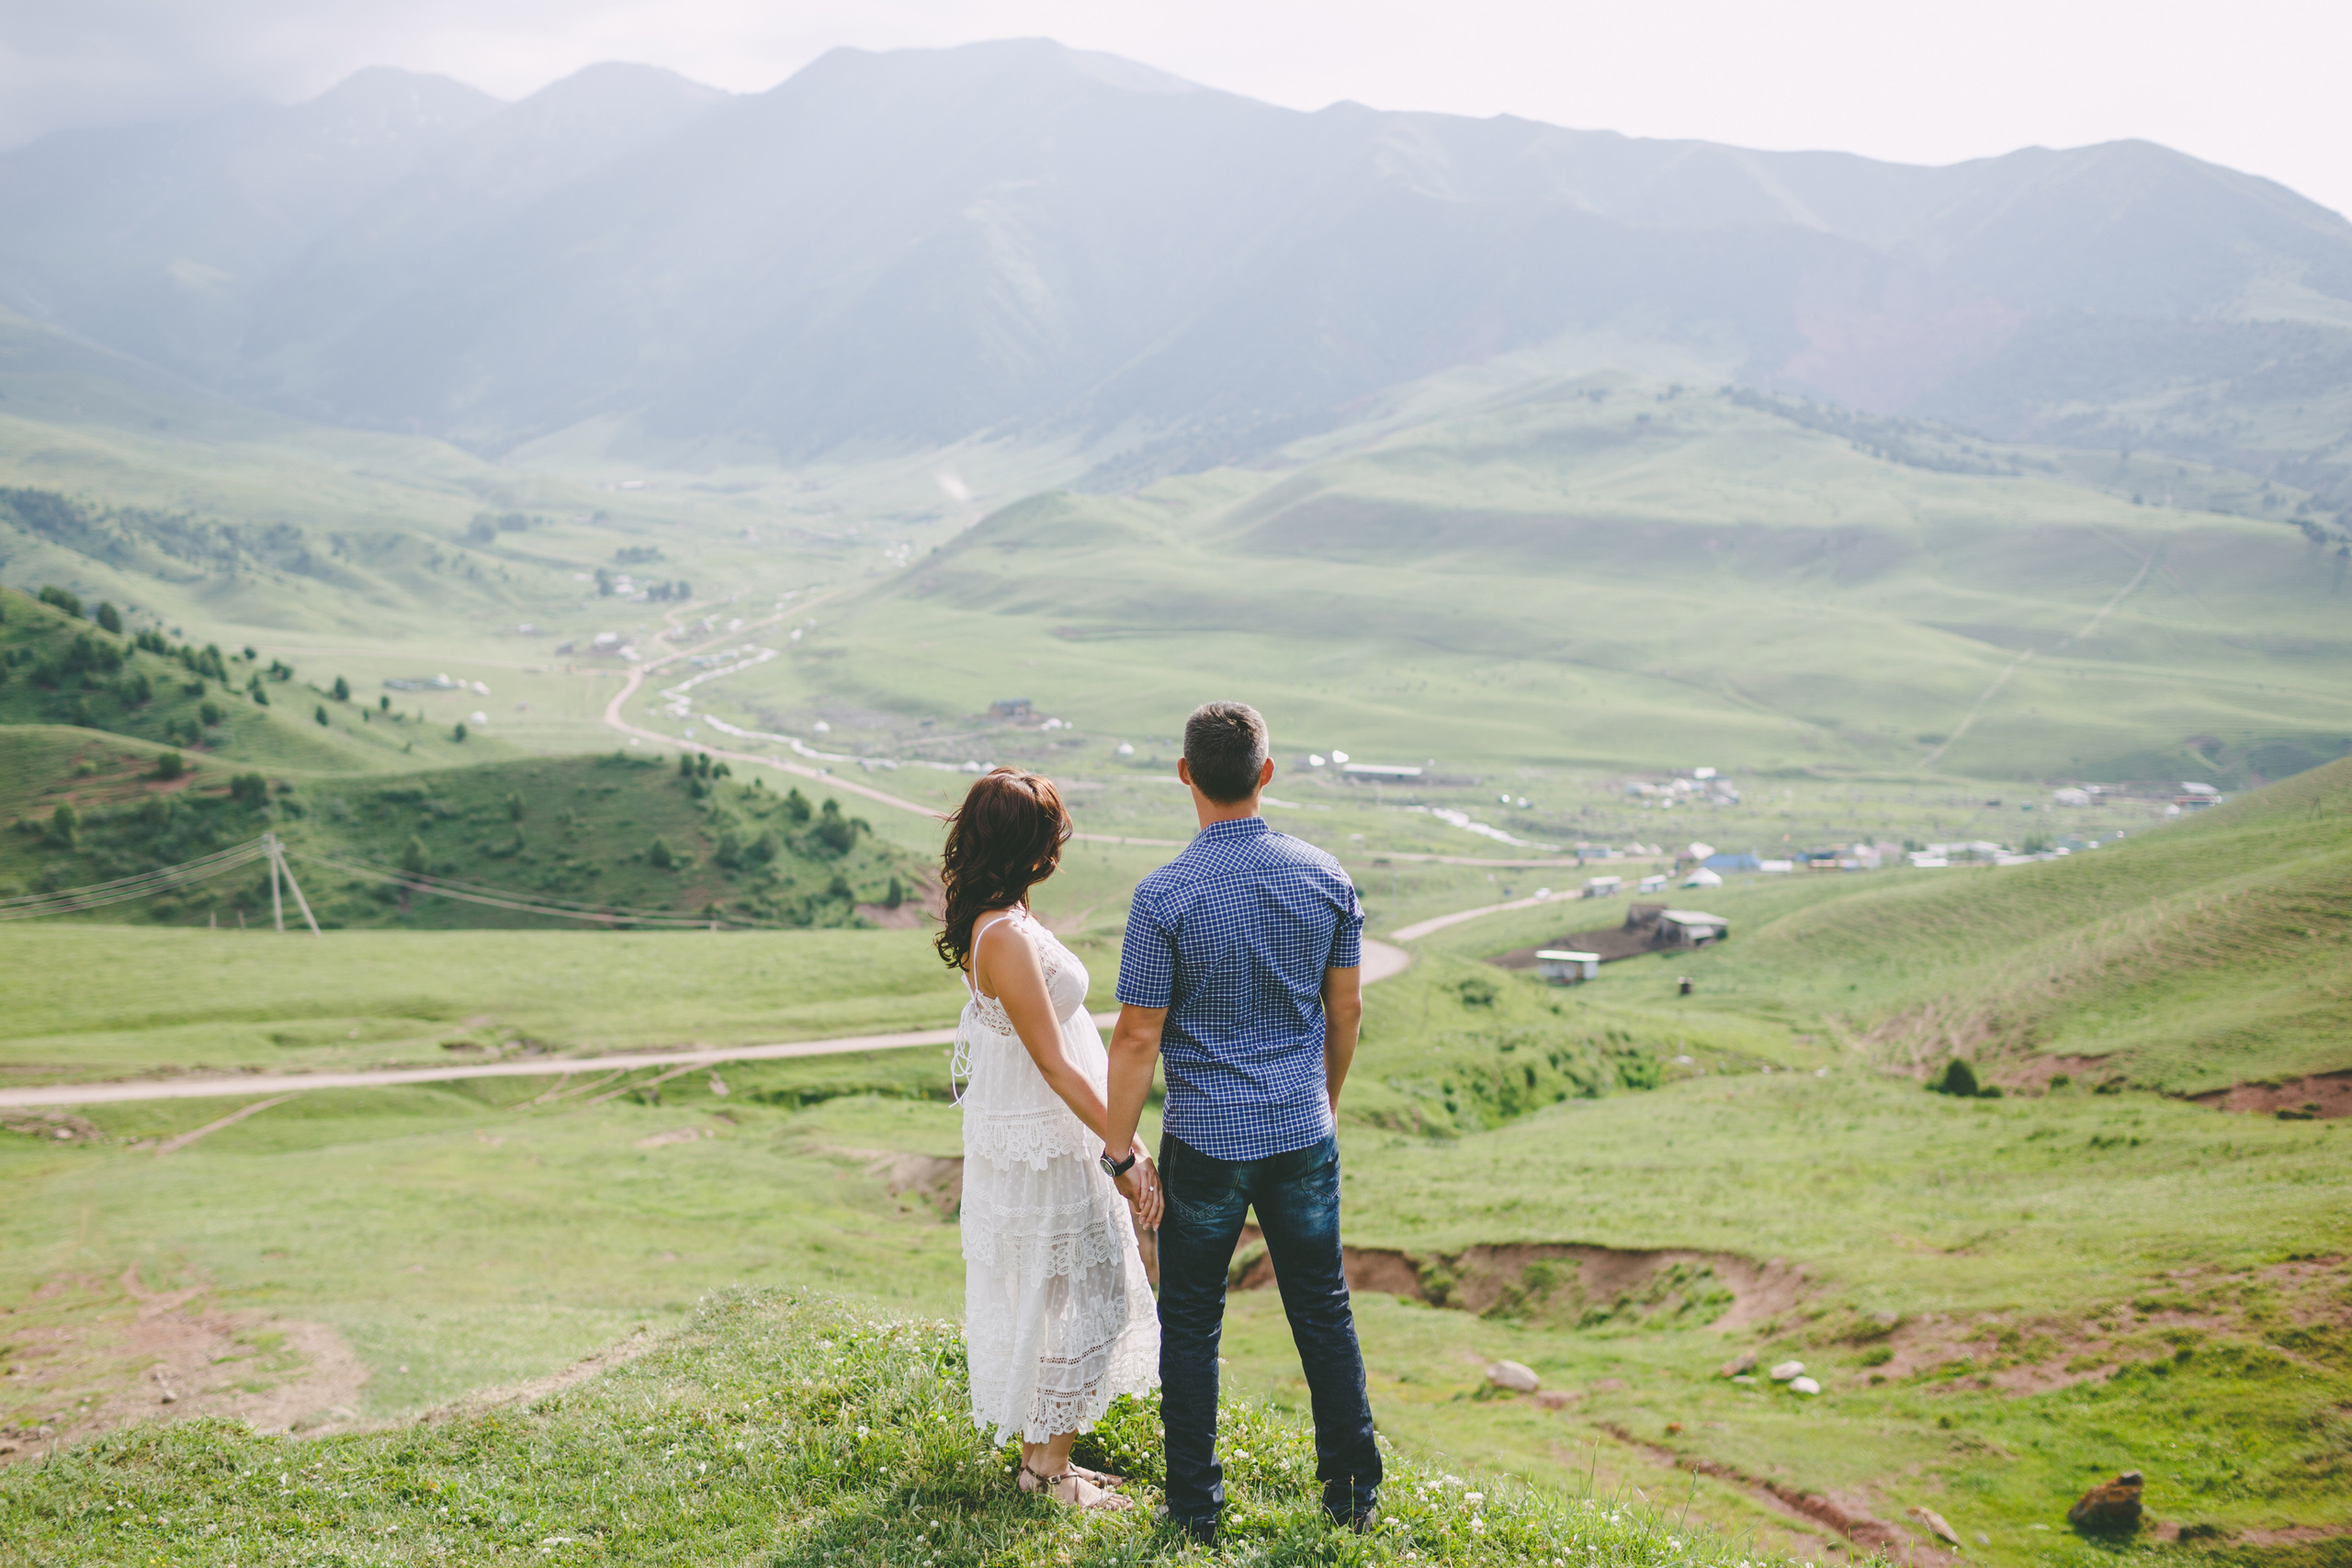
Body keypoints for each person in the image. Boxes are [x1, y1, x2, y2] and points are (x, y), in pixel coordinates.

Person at [1103, 700, 1380, 1545]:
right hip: (1301, 1128)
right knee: (1323, 1309)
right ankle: (1353, 1495)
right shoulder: (1326, 877)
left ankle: (1194, 1509)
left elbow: (1138, 1033)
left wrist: (1122, 1153)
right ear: (1266, 772)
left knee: (1189, 1320)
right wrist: (1321, 1103)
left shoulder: (1163, 897)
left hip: (1206, 1140)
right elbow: (1348, 1011)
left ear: (1185, 774)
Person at [940, 766, 1163, 1511]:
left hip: (1046, 1135)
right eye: (1047, 836)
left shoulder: (1002, 916)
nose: (1057, 849)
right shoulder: (1001, 935)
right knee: (1095, 1291)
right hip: (1050, 1141)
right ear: (1023, 845)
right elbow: (1056, 1061)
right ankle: (1052, 1469)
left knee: (1062, 1291)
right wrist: (1122, 1148)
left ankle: (1045, 1463)